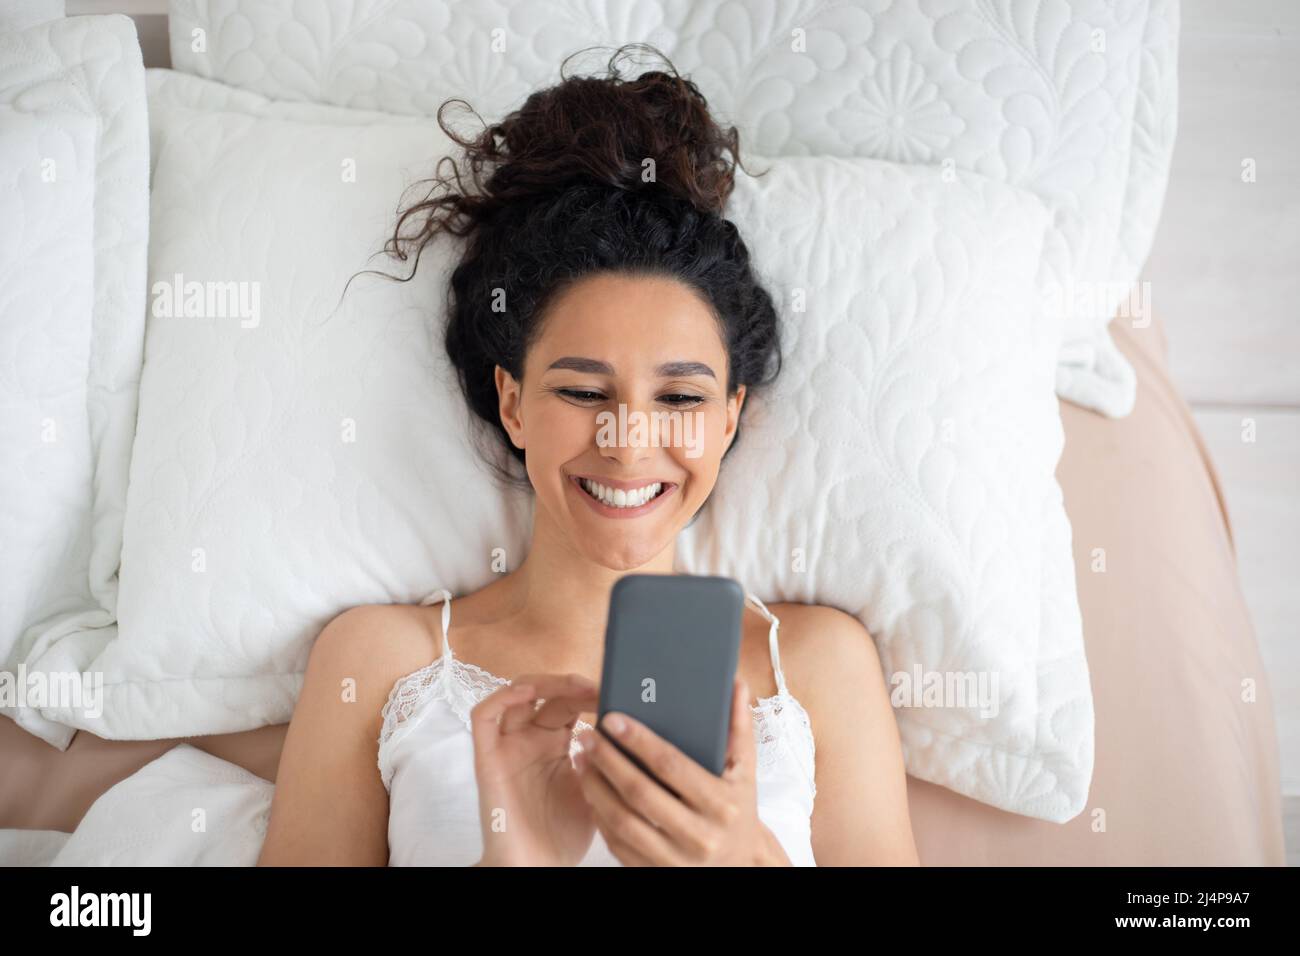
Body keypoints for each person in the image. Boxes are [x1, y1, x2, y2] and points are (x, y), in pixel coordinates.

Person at [258, 43, 917, 867]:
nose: (628, 441)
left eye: (680, 399)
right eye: (581, 392)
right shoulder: (381, 661)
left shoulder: (819, 667)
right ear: (512, 402)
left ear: (728, 418)